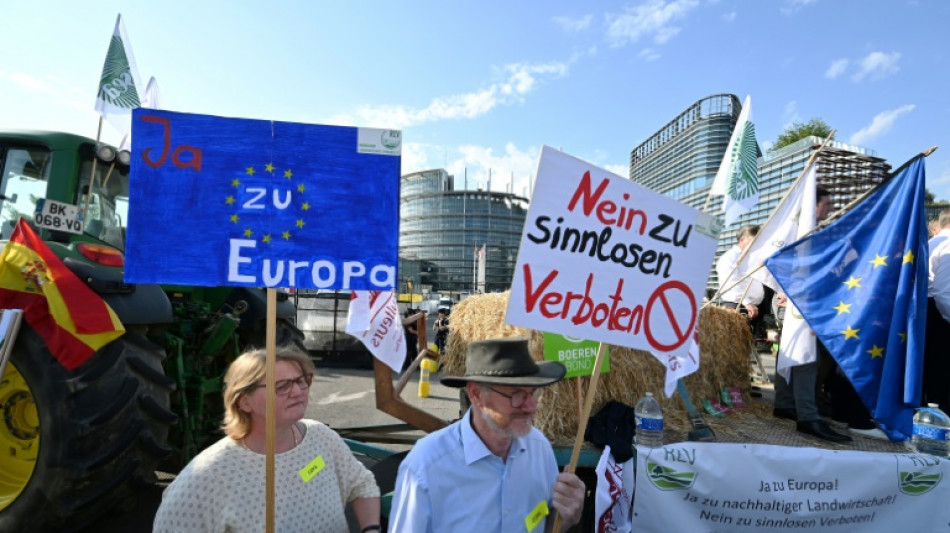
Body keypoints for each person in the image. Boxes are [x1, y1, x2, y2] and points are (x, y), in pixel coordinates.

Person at [153, 346, 381, 533]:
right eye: (282, 386)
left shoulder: (322, 438)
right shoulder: (206, 477)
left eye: (302, 380)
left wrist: (370, 528)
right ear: (244, 402)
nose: (298, 391)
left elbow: (361, 485)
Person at [389, 337, 586, 532]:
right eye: (517, 395)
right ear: (476, 394)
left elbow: (545, 524)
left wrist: (567, 516)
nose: (531, 407)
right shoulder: (425, 466)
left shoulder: (539, 448)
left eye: (533, 392)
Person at [772, 187, 852, 443]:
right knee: (806, 357)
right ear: (813, 205)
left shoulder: (809, 232)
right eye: (826, 203)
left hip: (802, 299)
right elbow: (776, 260)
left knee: (792, 351)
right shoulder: (800, 231)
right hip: (799, 301)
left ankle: (785, 403)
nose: (829, 209)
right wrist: (785, 290)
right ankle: (807, 417)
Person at [924, 209, 950, 412]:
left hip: (929, 308)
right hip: (940, 312)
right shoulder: (947, 244)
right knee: (940, 370)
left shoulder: (932, 242)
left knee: (930, 367)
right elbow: (943, 291)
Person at [715, 224, 765, 321]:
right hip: (739, 307)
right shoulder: (729, 258)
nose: (758, 245)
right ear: (742, 240)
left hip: (754, 308)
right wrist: (746, 302)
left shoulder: (753, 257)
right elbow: (731, 283)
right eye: (755, 241)